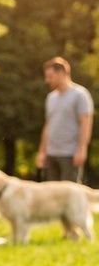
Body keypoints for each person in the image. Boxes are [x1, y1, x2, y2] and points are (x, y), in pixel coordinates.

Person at [35, 56, 94, 184]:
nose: (47, 80)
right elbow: (48, 125)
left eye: (50, 76)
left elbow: (86, 123)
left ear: (61, 73)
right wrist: (42, 152)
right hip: (51, 154)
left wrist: (81, 149)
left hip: (70, 154)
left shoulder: (80, 95)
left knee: (70, 197)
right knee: (52, 196)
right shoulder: (51, 98)